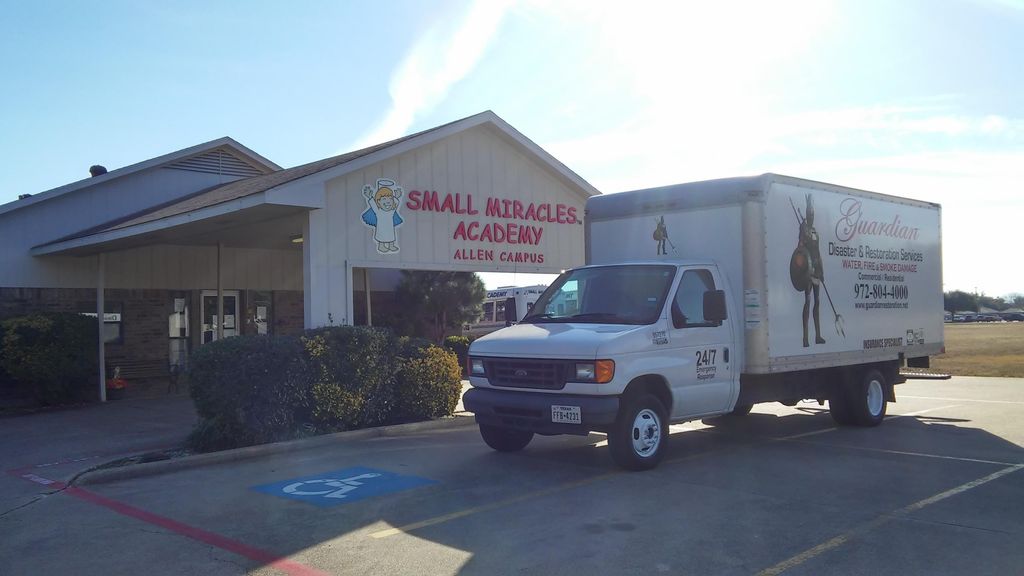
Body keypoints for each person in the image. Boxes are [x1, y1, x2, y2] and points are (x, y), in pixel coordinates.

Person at [799, 194, 825, 347]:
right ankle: (805, 337)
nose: (811, 216)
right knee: (808, 302)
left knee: (817, 302)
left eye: (813, 214)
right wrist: (802, 234)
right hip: (807, 272)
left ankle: (818, 335)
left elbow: (818, 252)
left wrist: (822, 270)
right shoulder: (804, 231)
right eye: (809, 213)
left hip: (816, 270)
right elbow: (800, 249)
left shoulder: (815, 232)